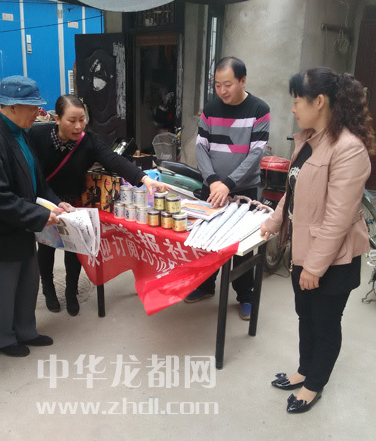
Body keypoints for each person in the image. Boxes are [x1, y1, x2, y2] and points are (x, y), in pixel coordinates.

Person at [261, 67, 374, 413]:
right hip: (304, 250)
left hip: (332, 260)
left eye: (297, 101)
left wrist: (314, 267)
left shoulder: (348, 149)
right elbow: (294, 191)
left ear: (319, 101)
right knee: (305, 315)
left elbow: (338, 218)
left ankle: (314, 384)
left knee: (325, 323)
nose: (293, 108)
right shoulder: (309, 141)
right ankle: (303, 370)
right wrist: (274, 221)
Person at [29, 94, 169, 316]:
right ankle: (48, 289)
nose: (78, 126)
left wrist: (144, 179)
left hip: (73, 203)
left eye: (82, 119)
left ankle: (71, 291)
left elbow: (114, 160)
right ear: (57, 119)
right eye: (71, 120)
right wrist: (49, 202)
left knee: (74, 248)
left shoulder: (88, 141)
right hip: (47, 200)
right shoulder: (37, 136)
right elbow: (32, 173)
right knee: (46, 247)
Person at [0, 76, 72, 357]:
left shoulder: (22, 135)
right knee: (0, 290)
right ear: (12, 107)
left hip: (23, 226)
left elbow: (39, 182)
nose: (37, 112)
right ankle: (2, 339)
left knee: (27, 284)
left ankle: (26, 330)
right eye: (32, 107)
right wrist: (39, 214)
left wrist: (56, 203)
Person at [185, 56, 270, 320]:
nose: (222, 90)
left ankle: (246, 296)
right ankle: (205, 285)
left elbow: (256, 153)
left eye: (228, 84)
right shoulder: (210, 109)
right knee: (206, 240)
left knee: (241, 247)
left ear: (243, 81)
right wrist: (213, 181)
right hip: (212, 188)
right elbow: (200, 147)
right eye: (218, 85)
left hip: (244, 190)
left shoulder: (259, 109)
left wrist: (228, 184)